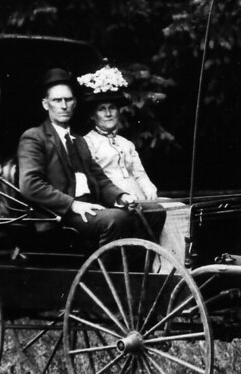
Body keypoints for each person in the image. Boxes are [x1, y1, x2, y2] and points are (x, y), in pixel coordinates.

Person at [17, 68, 150, 248]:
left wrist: (122, 197)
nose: (64, 106)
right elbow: (30, 184)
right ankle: (103, 274)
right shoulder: (34, 137)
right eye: (57, 100)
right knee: (116, 219)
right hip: (60, 215)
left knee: (152, 212)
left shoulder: (79, 141)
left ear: (75, 102)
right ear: (45, 104)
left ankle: (134, 271)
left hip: (90, 208)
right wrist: (72, 204)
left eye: (68, 99)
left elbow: (101, 180)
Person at [77, 65, 167, 240]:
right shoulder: (87, 143)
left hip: (139, 199)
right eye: (102, 109)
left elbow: (139, 173)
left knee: (176, 209)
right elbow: (95, 181)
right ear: (93, 115)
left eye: (112, 108)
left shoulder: (126, 143)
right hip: (113, 202)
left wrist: (149, 189)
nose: (108, 113)